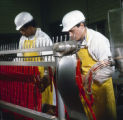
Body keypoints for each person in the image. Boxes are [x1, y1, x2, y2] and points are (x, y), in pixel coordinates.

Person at [60, 10, 117, 120]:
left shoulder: (97, 40)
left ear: (81, 25)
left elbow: (109, 68)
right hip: (86, 88)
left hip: (101, 88)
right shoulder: (76, 41)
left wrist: (87, 77)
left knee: (104, 116)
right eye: (68, 32)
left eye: (72, 31)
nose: (70, 35)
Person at [14, 12, 56, 114]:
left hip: (42, 81)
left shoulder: (43, 38)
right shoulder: (22, 40)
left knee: (45, 110)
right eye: (20, 31)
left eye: (23, 30)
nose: (22, 33)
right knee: (32, 109)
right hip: (29, 80)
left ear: (31, 26)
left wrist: (45, 79)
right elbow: (20, 59)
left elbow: (50, 64)